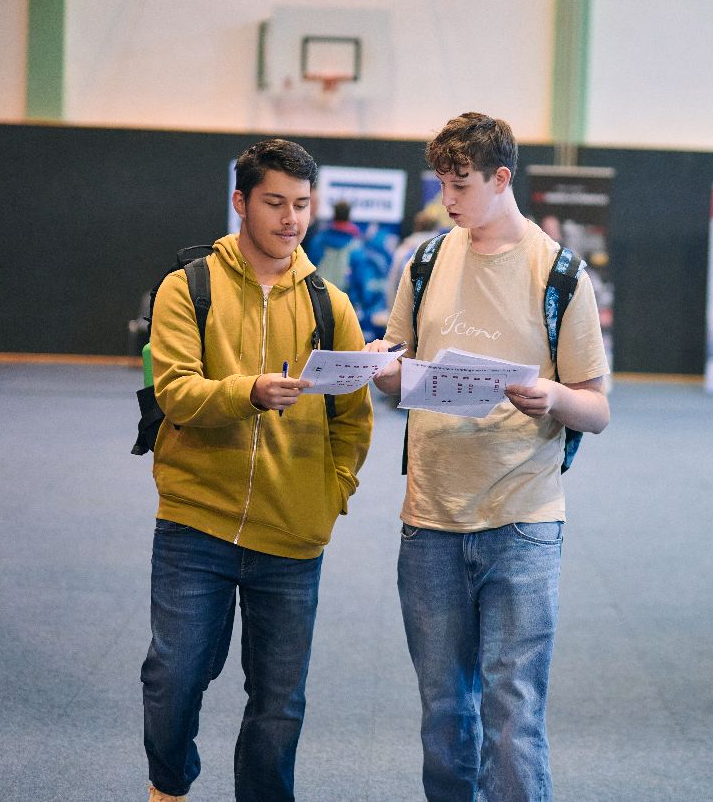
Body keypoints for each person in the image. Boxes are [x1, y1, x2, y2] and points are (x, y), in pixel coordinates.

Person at [367, 113, 611, 801]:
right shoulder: (424, 261)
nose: (447, 199)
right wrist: (381, 368)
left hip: (523, 521)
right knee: (444, 712)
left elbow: (597, 409)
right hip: (430, 520)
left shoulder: (558, 273)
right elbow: (396, 368)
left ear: (502, 179)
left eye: (461, 184)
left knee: (514, 713)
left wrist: (553, 396)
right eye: (441, 184)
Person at [140, 139, 374, 802]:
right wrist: (250, 392)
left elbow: (353, 417)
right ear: (241, 202)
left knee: (278, 704)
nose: (291, 218)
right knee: (173, 676)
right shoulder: (188, 286)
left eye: (302, 203)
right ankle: (169, 785)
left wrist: (332, 492)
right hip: (196, 523)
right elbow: (175, 392)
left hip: (293, 534)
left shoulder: (332, 305)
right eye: (275, 203)